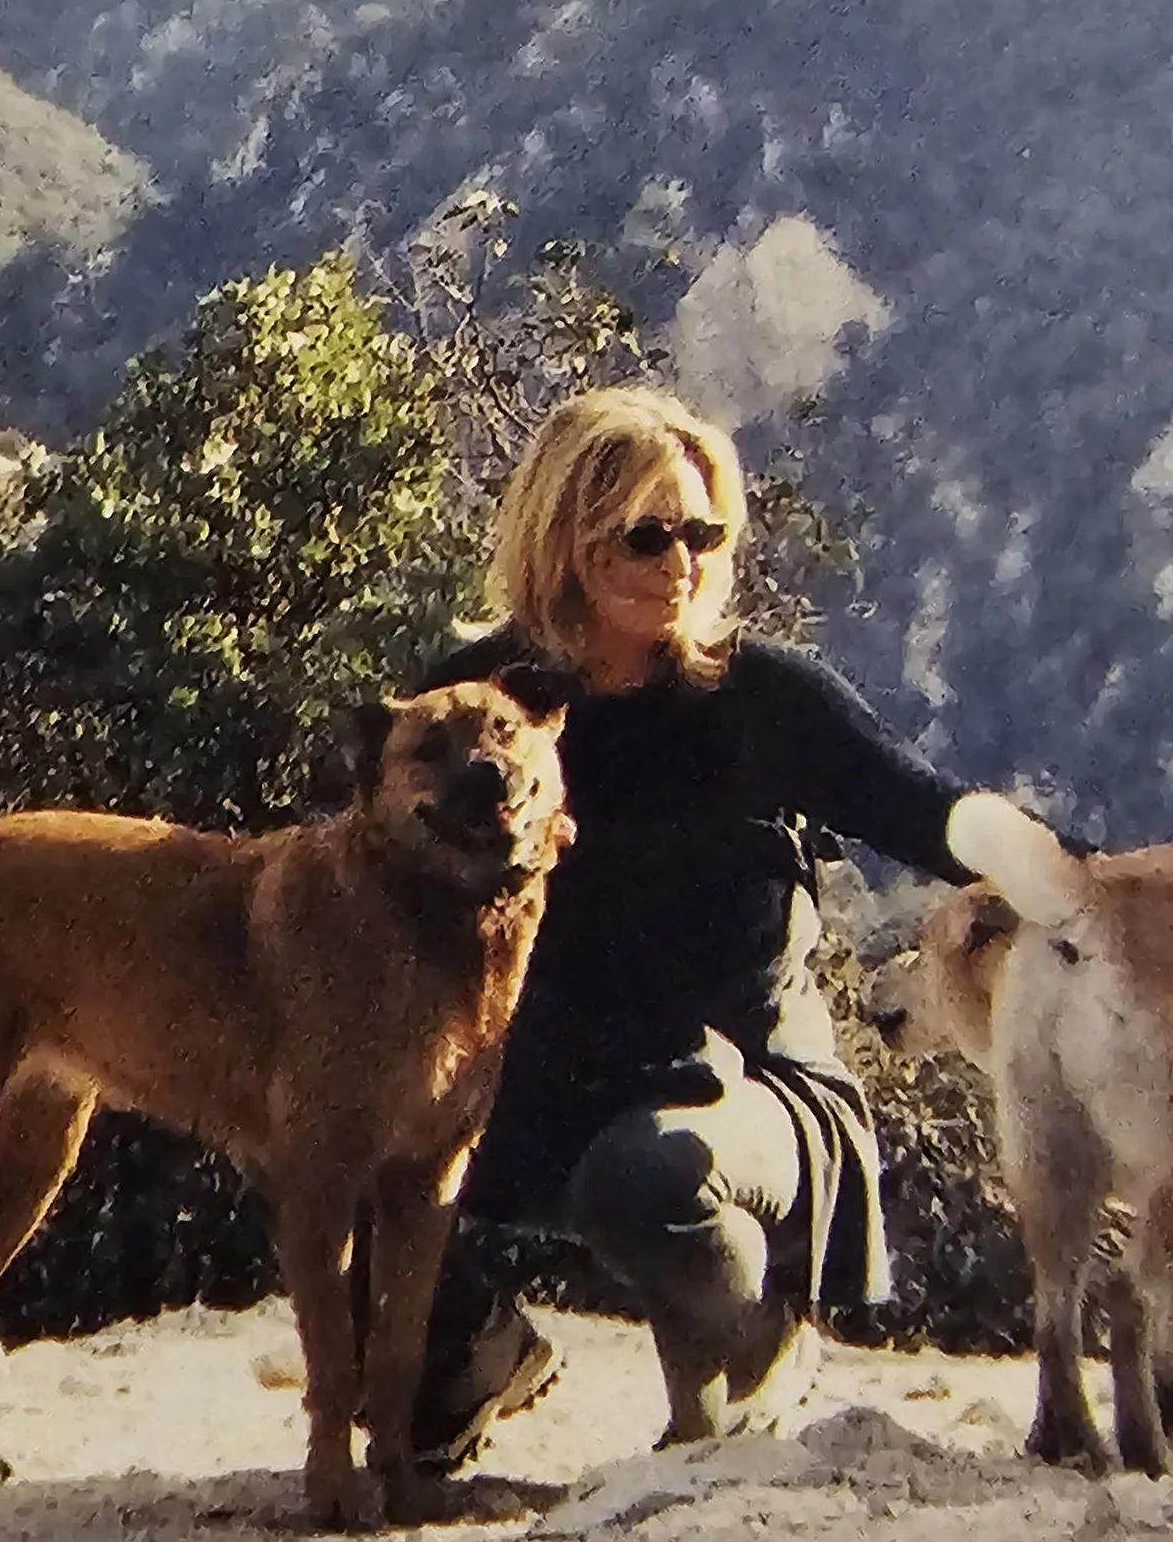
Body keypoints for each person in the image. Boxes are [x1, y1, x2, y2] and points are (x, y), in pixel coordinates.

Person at [408, 383, 1022, 1464]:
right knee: (332, 1140)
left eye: (704, 531)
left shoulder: (763, 701)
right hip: (547, 1080)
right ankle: (472, 1356)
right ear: (567, 540)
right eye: (648, 534)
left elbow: (930, 817)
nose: (681, 559)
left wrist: (1088, 878)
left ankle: (750, 1358)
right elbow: (366, 881)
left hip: (748, 1087)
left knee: (646, 1176)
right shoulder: (471, 704)